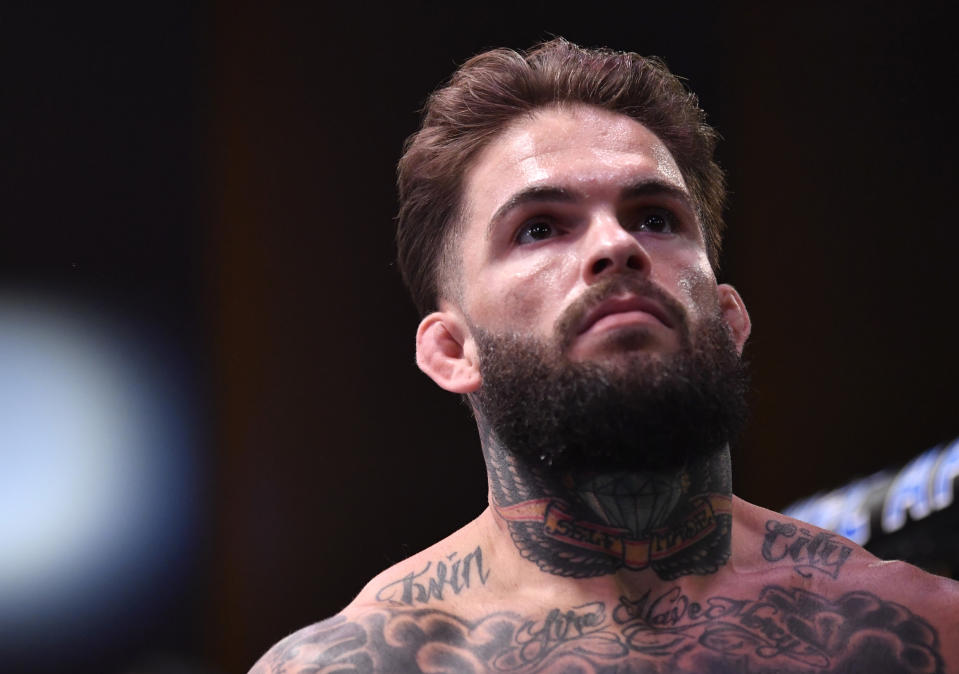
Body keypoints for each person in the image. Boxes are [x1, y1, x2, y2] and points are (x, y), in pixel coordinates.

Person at [250, 38, 959, 673]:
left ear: (728, 317)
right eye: (538, 228)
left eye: (654, 218)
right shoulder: (360, 666)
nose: (616, 246)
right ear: (451, 349)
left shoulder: (920, 631)